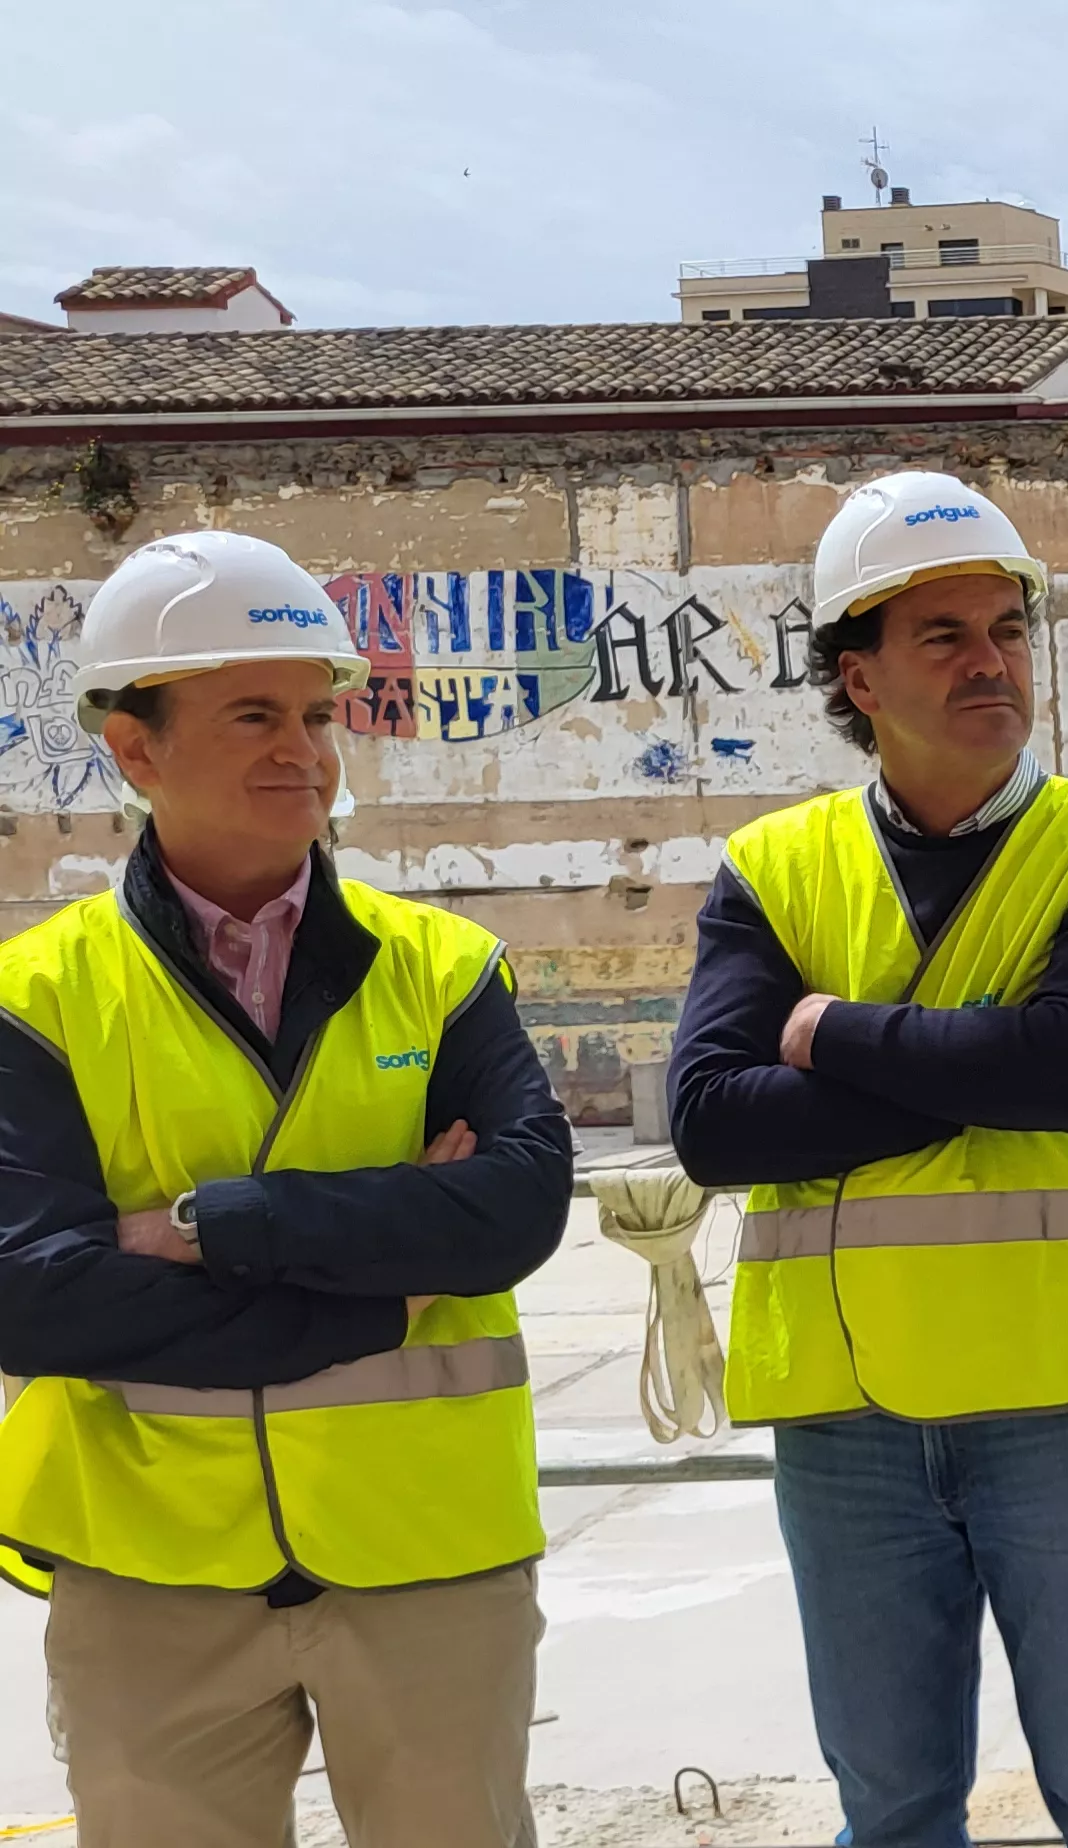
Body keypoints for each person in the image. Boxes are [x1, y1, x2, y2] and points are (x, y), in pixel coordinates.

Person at [669, 471, 1068, 1848]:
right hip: (845, 1422)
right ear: (857, 676)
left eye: (1008, 630)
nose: (992, 662)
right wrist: (990, 1071)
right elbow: (714, 1123)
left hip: (1066, 1400)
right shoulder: (773, 866)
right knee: (892, 1806)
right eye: (946, 637)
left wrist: (829, 1032)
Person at [0, 530, 572, 1847]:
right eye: (254, 714)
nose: (306, 751)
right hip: (152, 1575)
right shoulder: (37, 999)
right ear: (133, 748)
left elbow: (514, 1212)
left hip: (430, 1563)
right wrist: (383, 1298)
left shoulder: (444, 967)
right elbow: (34, 1298)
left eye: (318, 713)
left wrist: (211, 1228)